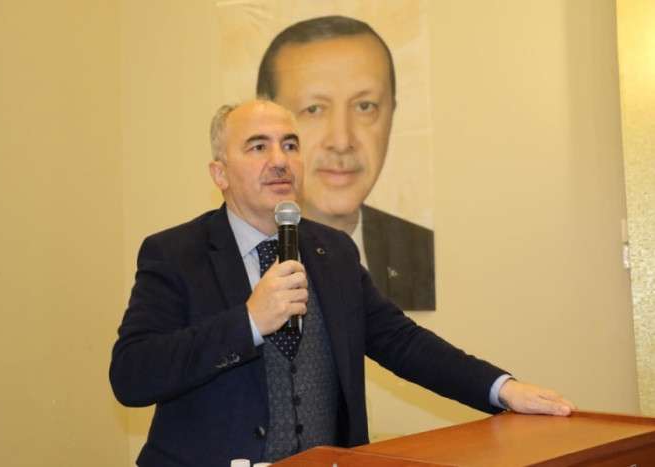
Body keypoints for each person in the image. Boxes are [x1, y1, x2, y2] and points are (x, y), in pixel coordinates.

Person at [110, 100, 575, 467]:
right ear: (220, 174)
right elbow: (132, 375)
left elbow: (402, 341)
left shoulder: (332, 251)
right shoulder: (175, 253)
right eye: (258, 147)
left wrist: (501, 388)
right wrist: (248, 322)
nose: (280, 161)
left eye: (290, 145)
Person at [256, 15, 435, 311]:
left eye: (365, 106)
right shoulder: (223, 258)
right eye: (313, 109)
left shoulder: (420, 249)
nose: (341, 141)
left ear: (392, 114)